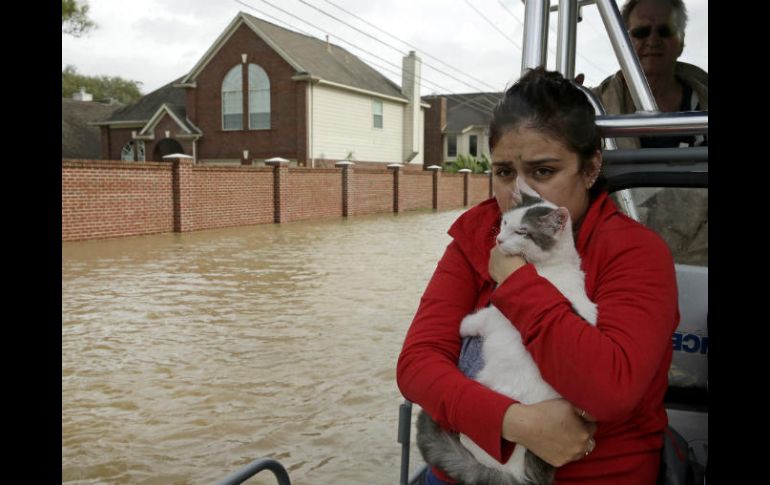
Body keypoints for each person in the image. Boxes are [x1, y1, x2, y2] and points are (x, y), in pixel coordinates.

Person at [396, 68, 679, 484]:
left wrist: (515, 285)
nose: (517, 193)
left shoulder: (635, 253)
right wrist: (515, 422)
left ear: (589, 169)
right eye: (505, 172)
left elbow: (610, 390)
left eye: (543, 171)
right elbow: (417, 365)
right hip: (463, 468)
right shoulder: (475, 239)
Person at [592, 0, 708, 266]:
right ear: (624, 40)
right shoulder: (593, 108)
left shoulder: (703, 105)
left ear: (680, 41)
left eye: (664, 31)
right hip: (618, 261)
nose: (653, 40)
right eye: (642, 32)